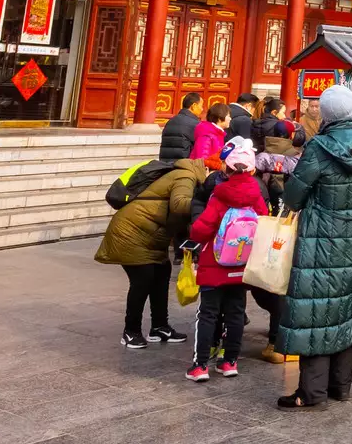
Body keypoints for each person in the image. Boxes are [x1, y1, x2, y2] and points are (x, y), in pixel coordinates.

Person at [273, 84, 352, 410]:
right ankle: (341, 386)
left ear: (326, 113)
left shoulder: (319, 148)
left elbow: (294, 196)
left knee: (317, 313)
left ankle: (311, 392)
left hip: (322, 241)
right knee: (348, 312)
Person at [183, 137, 268, 382]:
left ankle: (200, 366)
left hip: (215, 263)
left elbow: (200, 230)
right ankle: (230, 362)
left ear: (225, 169)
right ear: (252, 170)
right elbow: (264, 221)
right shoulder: (256, 196)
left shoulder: (219, 196)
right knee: (236, 312)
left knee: (208, 313)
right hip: (243, 264)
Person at [95, 154, 202, 349]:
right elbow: (179, 204)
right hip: (131, 233)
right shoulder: (186, 176)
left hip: (152, 237)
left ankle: (159, 327)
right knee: (142, 281)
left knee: (161, 275)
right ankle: (131, 331)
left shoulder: (190, 176)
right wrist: (206, 205)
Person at [159, 91, 204, 162]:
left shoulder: (170, 121)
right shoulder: (196, 124)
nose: (202, 109)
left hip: (165, 165)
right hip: (183, 166)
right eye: (201, 106)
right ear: (194, 106)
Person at [191, 102, 230, 167]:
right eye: (228, 116)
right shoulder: (207, 134)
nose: (230, 119)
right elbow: (202, 160)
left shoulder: (217, 133)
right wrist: (220, 167)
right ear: (220, 118)